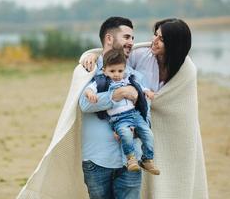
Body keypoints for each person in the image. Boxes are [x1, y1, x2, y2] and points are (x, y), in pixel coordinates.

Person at [81, 18, 209, 198]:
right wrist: (93, 56)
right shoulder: (142, 54)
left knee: (174, 176)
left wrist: (140, 99)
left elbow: (182, 107)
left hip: (169, 127)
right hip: (130, 121)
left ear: (174, 45)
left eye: (162, 39)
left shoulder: (187, 69)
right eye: (155, 35)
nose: (153, 41)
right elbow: (113, 56)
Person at [79, 17, 144, 199]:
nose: (131, 42)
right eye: (126, 37)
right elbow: (84, 104)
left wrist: (136, 129)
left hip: (130, 161)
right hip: (97, 161)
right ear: (109, 39)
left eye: (133, 38)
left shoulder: (136, 77)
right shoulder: (87, 70)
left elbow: (146, 115)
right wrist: (119, 94)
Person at [84, 48, 160, 174]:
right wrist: (90, 93)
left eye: (120, 70)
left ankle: (147, 159)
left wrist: (147, 91)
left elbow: (141, 87)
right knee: (126, 135)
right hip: (119, 118)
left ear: (124, 69)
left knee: (148, 134)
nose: (117, 74)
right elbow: (89, 88)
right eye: (112, 71)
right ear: (104, 70)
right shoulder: (101, 81)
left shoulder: (128, 79)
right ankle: (131, 159)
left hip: (135, 115)